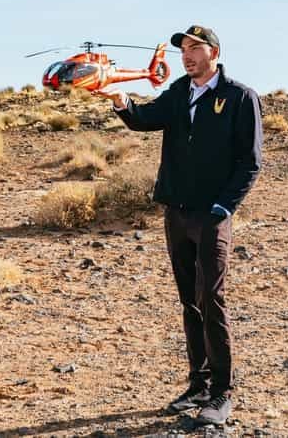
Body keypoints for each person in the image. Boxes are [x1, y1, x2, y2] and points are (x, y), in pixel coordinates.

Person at [95, 25, 263, 425]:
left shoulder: (239, 97)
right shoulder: (178, 93)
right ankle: (198, 384)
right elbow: (144, 119)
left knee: (212, 301)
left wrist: (224, 207)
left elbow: (250, 162)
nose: (186, 56)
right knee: (189, 300)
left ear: (214, 52)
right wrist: (121, 101)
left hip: (212, 215)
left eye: (194, 48)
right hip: (177, 212)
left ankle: (222, 392)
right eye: (183, 50)